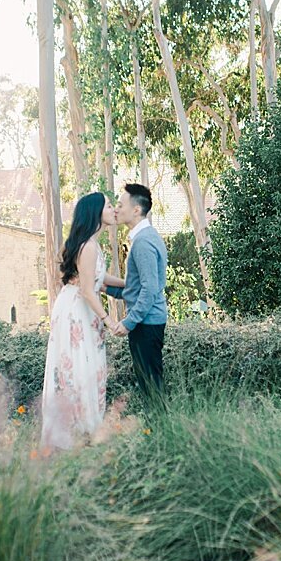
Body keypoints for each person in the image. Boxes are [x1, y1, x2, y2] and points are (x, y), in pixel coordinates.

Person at [40, 192, 123, 450]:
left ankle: (85, 429)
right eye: (109, 206)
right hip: (78, 311)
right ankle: (79, 431)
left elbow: (99, 278)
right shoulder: (88, 246)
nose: (113, 210)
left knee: (86, 366)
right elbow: (88, 290)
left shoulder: (90, 245)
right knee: (79, 367)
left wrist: (130, 284)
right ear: (96, 212)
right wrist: (109, 320)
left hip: (79, 308)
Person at [104, 183, 169, 407]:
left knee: (151, 387)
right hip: (147, 321)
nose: (117, 209)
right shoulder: (145, 238)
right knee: (150, 385)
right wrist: (105, 288)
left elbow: (150, 289)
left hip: (146, 323)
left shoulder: (143, 242)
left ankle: (161, 434)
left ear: (136, 210)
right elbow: (136, 288)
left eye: (121, 205)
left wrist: (129, 322)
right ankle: (158, 432)